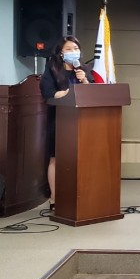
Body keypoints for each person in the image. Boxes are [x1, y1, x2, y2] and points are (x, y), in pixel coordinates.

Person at [39, 36, 92, 211]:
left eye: (75, 48)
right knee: (55, 158)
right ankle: (54, 198)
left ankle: (79, 195)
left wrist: (84, 81)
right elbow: (49, 93)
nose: (73, 52)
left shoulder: (83, 69)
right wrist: (69, 93)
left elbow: (93, 93)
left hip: (82, 121)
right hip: (59, 120)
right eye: (68, 49)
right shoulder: (52, 69)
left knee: (81, 158)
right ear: (61, 53)